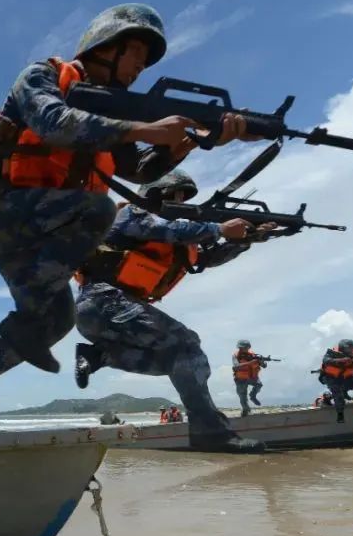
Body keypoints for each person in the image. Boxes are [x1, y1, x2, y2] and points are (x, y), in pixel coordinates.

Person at [0, 3, 258, 432]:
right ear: (106, 45)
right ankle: (28, 316)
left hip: (42, 232)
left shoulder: (115, 117)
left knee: (56, 321)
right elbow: (54, 122)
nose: (138, 70)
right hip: (1, 212)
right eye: (135, 57)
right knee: (99, 209)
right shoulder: (44, 75)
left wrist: (190, 143)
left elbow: (139, 171)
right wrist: (146, 129)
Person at [72, 171, 271, 452]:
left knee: (175, 361)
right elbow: (172, 230)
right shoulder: (133, 213)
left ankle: (100, 355)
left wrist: (246, 239)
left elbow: (203, 258)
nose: (181, 201)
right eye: (176, 195)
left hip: (108, 311)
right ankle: (210, 433)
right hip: (105, 301)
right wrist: (218, 228)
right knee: (188, 345)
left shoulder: (167, 233)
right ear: (156, 192)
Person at [317, 339, 353, 423]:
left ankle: (343, 391)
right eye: (349, 348)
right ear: (343, 348)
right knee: (338, 396)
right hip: (331, 378)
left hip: (344, 378)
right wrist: (340, 361)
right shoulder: (331, 353)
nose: (351, 350)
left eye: (352, 348)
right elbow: (326, 360)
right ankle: (340, 414)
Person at [232, 340, 267, 416]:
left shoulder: (253, 355)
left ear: (248, 347)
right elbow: (235, 366)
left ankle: (253, 396)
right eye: (240, 347)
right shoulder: (235, 355)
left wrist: (261, 361)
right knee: (243, 397)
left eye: (244, 347)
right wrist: (250, 362)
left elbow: (264, 366)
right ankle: (245, 411)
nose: (241, 349)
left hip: (252, 377)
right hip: (240, 379)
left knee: (259, 385)